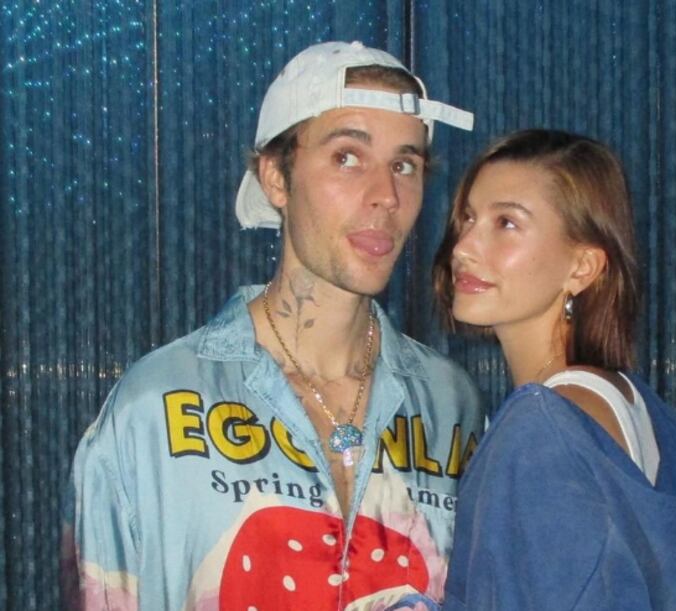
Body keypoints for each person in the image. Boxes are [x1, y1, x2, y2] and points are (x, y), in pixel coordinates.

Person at [65, 41, 484, 611]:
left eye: (404, 165)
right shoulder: (152, 408)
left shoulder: (450, 405)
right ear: (275, 178)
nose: (386, 196)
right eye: (347, 157)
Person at [433, 129, 676, 610]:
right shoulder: (618, 398)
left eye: (506, 223)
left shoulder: (543, 426)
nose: (463, 247)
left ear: (582, 268)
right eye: (468, 217)